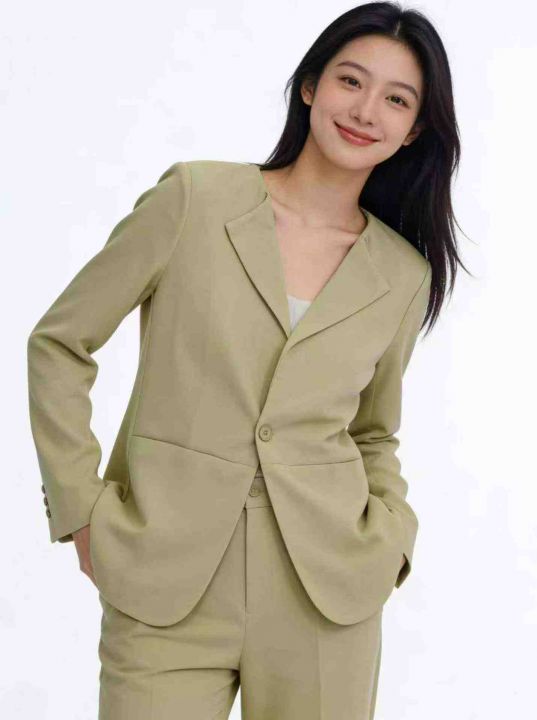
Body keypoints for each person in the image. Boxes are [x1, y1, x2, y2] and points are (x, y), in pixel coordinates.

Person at [26, 2, 468, 718]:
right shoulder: (194, 200)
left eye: (396, 99)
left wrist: (390, 536)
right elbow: (60, 342)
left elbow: (371, 430)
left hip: (325, 591)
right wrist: (81, 508)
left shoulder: (401, 274)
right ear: (310, 86)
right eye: (350, 81)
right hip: (164, 574)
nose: (365, 111)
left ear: (415, 128)